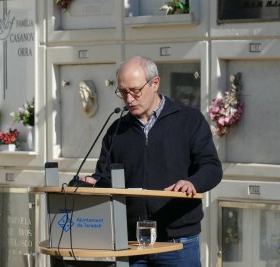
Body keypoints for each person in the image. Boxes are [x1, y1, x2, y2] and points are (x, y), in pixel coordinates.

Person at [83, 55, 222, 266]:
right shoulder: (116, 130)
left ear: (155, 83)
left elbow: (211, 167)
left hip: (177, 241)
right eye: (123, 92)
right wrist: (95, 184)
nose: (129, 99)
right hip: (130, 244)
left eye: (135, 91)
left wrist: (193, 182)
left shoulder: (189, 120)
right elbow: (106, 177)